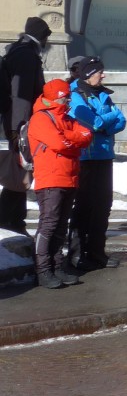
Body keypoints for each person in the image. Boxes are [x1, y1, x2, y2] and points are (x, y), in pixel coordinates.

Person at [29, 79, 93, 289]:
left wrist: (68, 141)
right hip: (50, 179)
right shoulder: (40, 118)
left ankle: (57, 267)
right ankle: (43, 270)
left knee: (60, 226)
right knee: (49, 225)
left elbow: (87, 135)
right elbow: (58, 143)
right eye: (65, 94)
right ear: (57, 95)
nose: (68, 98)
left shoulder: (66, 118)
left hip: (69, 177)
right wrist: (72, 143)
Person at [68, 56, 126, 270]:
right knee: (83, 207)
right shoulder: (74, 95)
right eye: (99, 72)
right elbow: (93, 124)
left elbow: (121, 121)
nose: (103, 75)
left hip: (104, 156)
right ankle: (75, 255)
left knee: (103, 206)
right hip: (85, 158)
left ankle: (96, 253)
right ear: (87, 74)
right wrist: (104, 120)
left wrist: (103, 122)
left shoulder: (102, 93)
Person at [0, 16, 52, 236]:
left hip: (16, 124)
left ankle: (14, 222)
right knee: (18, 175)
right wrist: (17, 129)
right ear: (42, 36)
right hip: (19, 125)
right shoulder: (27, 55)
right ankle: (9, 222)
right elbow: (19, 95)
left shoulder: (21, 52)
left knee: (20, 174)